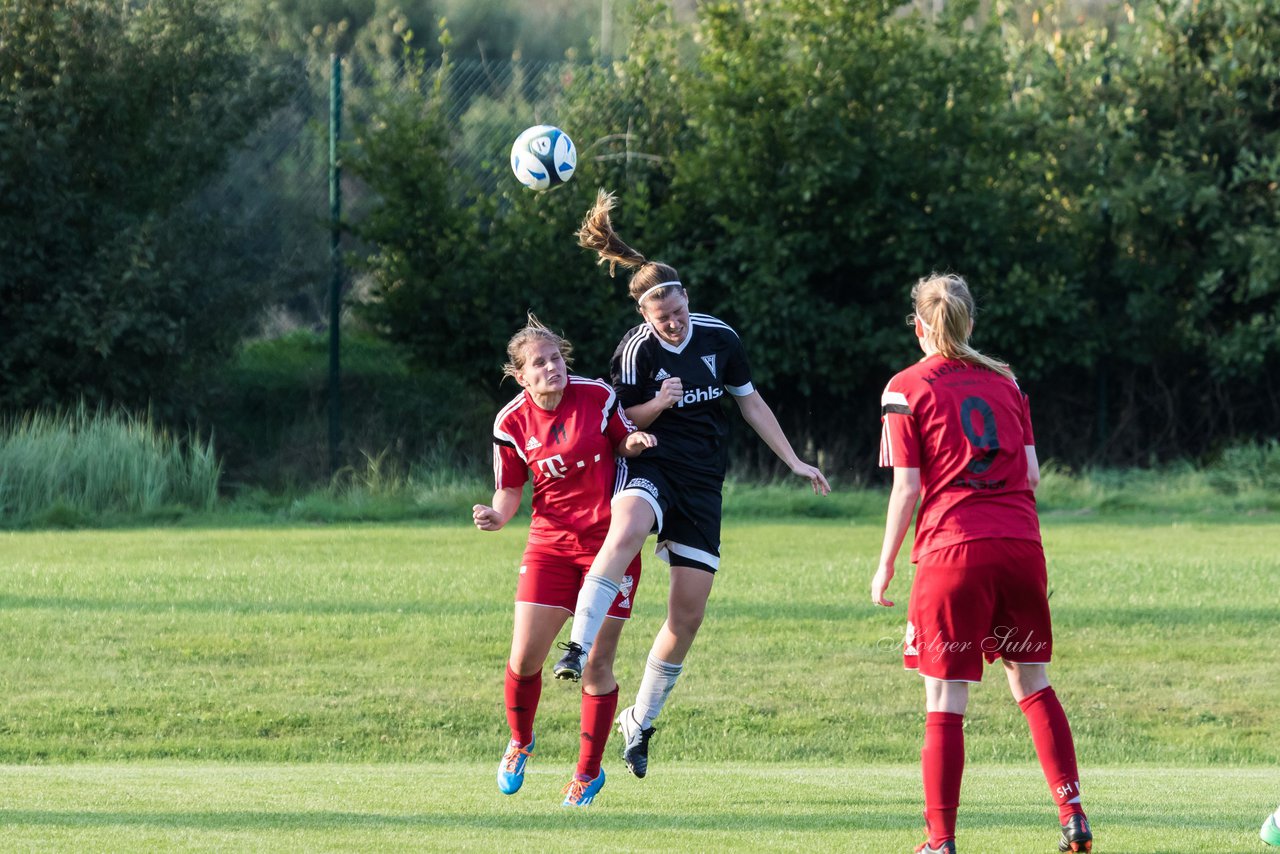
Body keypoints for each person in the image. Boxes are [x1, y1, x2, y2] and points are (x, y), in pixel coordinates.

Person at [551, 189, 830, 780]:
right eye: (662, 315)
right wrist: (656, 404)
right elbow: (622, 427)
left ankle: (641, 722)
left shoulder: (719, 338)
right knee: (624, 531)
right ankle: (577, 646)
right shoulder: (634, 352)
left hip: (703, 481)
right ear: (644, 317)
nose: (674, 321)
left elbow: (750, 403)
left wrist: (794, 461)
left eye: (678, 308)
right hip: (651, 465)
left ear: (687, 298)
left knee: (688, 615)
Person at [872, 273, 1092, 854]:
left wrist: (886, 563)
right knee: (1033, 682)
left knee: (945, 700)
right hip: (1020, 548)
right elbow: (1034, 474)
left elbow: (908, 488)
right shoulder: (1006, 381)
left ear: (920, 327)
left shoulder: (904, 387)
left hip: (952, 552)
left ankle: (940, 842)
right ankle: (1073, 815)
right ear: (970, 323)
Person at [474, 313, 656, 807]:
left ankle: (588, 772)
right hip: (550, 544)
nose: (551, 367)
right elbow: (511, 488)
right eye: (539, 363)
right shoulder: (511, 421)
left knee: (597, 663)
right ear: (520, 374)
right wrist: (497, 514)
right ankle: (520, 742)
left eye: (555, 358)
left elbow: (622, 435)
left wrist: (634, 442)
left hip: (611, 546)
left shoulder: (595, 394)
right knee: (524, 657)